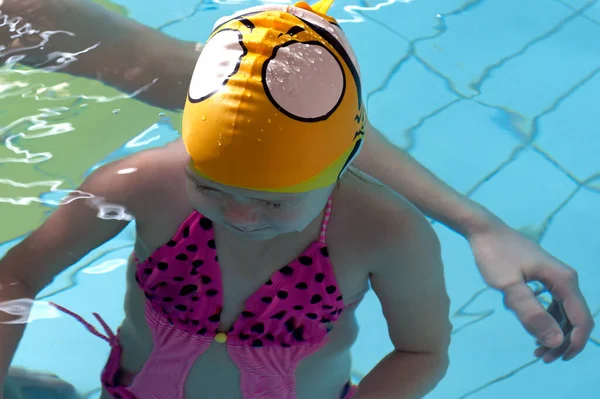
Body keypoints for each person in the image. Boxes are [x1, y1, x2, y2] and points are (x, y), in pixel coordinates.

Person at [0, 0, 593, 377]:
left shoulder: (383, 232)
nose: (241, 215)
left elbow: (421, 353)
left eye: (275, 201)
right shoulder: (139, 184)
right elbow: (18, 274)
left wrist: (478, 224)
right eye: (207, 186)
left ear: (345, 163)